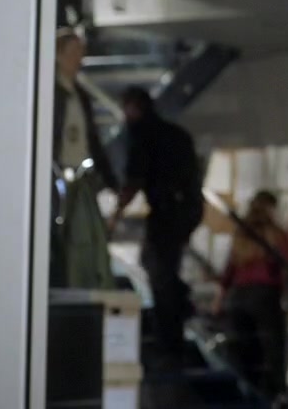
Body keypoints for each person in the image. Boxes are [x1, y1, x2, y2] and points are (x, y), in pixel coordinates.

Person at [109, 86, 204, 370]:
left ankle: (170, 338)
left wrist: (115, 216)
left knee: (159, 270)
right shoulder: (175, 133)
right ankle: (180, 307)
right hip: (187, 208)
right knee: (163, 267)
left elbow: (134, 180)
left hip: (167, 211)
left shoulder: (143, 135)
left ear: (134, 107)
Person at [212, 190, 288, 404]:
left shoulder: (241, 235)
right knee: (272, 352)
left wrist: (218, 301)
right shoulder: (275, 234)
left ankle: (246, 398)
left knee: (245, 355)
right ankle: (272, 399)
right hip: (264, 297)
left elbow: (228, 273)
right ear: (271, 208)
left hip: (238, 299)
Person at [52, 28, 116, 289]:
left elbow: (92, 140)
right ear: (59, 55)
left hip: (80, 176)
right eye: (73, 52)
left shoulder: (80, 96)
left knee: (83, 234)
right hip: (58, 176)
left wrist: (109, 177)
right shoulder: (53, 94)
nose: (79, 58)